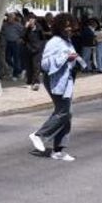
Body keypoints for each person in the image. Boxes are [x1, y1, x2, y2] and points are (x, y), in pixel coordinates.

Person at [28, 14, 86, 161]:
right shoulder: (54, 42)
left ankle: (58, 150)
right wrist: (65, 58)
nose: (69, 28)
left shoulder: (67, 41)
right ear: (58, 27)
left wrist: (75, 60)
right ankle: (39, 135)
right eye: (65, 25)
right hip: (55, 80)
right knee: (63, 111)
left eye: (70, 25)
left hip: (66, 79)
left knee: (67, 112)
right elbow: (45, 64)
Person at [1, 12, 25, 80]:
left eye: (10, 18)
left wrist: (21, 39)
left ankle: (15, 74)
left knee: (16, 59)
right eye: (8, 17)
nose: (9, 19)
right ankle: (18, 69)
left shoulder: (18, 25)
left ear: (13, 18)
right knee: (7, 58)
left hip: (15, 43)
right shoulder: (5, 25)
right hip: (8, 42)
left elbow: (24, 32)